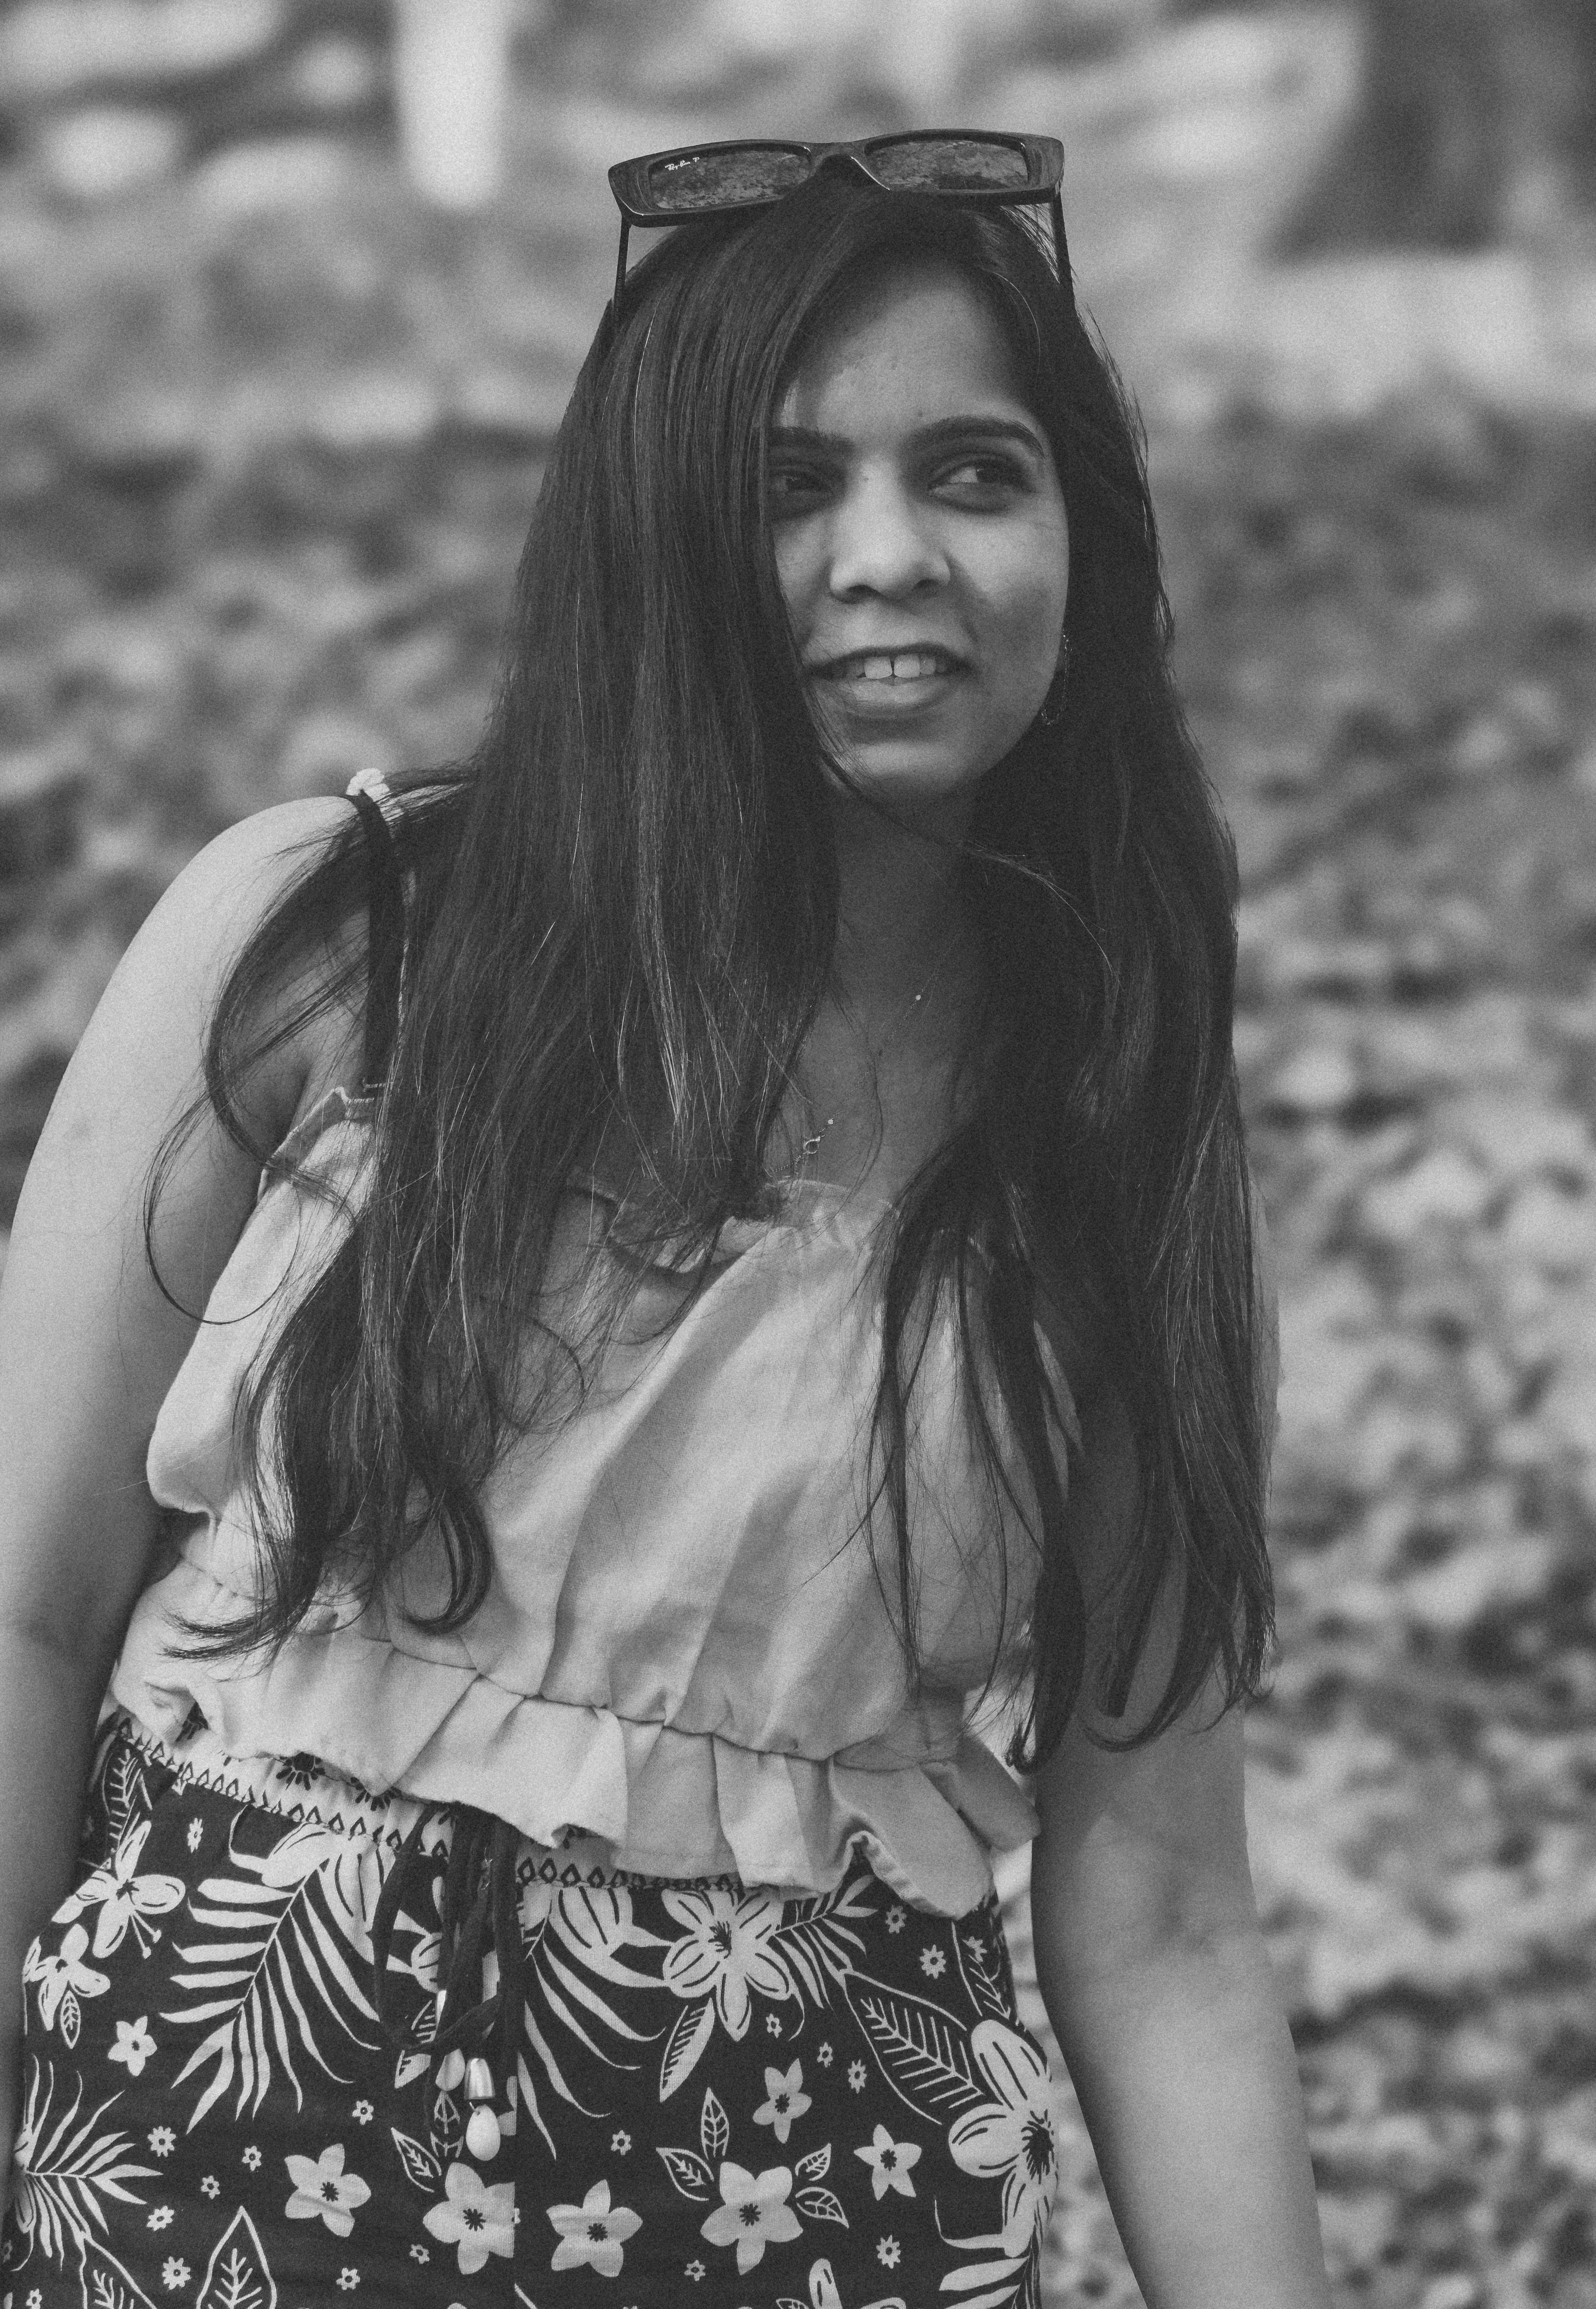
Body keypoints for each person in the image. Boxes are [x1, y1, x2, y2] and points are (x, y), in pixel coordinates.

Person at [0, 134, 1331, 2309]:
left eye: (976, 475)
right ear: (651, 539)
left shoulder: (1108, 1142)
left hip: (815, 2222)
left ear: (1083, 546)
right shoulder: (336, 949)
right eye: (789, 486)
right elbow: (25, 1607)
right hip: (202, 2178)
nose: (889, 556)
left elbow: (1164, 1910)